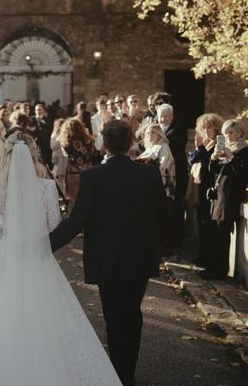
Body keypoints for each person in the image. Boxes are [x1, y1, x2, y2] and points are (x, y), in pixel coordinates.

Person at [0, 132, 123, 386]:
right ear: (34, 153)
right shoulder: (46, 186)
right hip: (37, 256)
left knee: (0, 312)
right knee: (46, 314)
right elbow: (54, 225)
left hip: (7, 255)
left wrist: (8, 232)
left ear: (7, 154)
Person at [49, 120, 165, 386]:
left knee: (114, 317)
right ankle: (127, 374)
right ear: (131, 144)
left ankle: (118, 375)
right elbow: (164, 217)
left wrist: (42, 245)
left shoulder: (92, 178)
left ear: (103, 144)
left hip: (107, 258)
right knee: (132, 314)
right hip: (139, 255)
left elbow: (76, 222)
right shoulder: (150, 174)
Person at [204, 119, 248, 280]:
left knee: (223, 233)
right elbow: (213, 170)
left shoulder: (244, 150)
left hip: (231, 195)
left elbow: (241, 173)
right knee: (214, 232)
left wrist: (231, 157)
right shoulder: (225, 149)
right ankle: (212, 266)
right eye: (225, 133)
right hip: (219, 194)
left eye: (231, 132)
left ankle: (220, 270)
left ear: (239, 133)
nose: (228, 136)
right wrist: (214, 157)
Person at [188, 113, 224, 268]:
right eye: (203, 128)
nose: (206, 131)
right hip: (200, 188)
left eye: (209, 127)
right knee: (202, 224)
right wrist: (199, 146)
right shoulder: (205, 145)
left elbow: (212, 164)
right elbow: (192, 159)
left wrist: (201, 148)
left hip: (211, 189)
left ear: (216, 128)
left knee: (209, 226)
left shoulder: (217, 145)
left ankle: (208, 260)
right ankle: (202, 257)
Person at [157, 103, 187, 248]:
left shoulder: (179, 129)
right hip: (162, 174)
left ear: (172, 116)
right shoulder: (156, 128)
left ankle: (177, 239)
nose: (163, 119)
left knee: (177, 206)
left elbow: (176, 147)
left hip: (177, 173)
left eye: (166, 116)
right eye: (161, 116)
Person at [59, 118, 100, 211]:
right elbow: (93, 153)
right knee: (89, 198)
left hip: (73, 174)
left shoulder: (66, 143)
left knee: (75, 200)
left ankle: (76, 220)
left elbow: (66, 155)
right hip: (88, 172)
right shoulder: (87, 140)